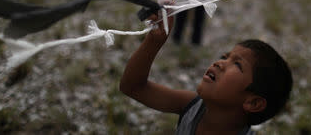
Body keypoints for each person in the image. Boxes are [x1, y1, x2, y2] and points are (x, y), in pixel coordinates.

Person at [120, 10, 293, 134]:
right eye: (225, 57)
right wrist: (154, 40)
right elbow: (132, 87)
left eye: (237, 65)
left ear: (253, 103)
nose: (220, 63)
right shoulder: (192, 106)